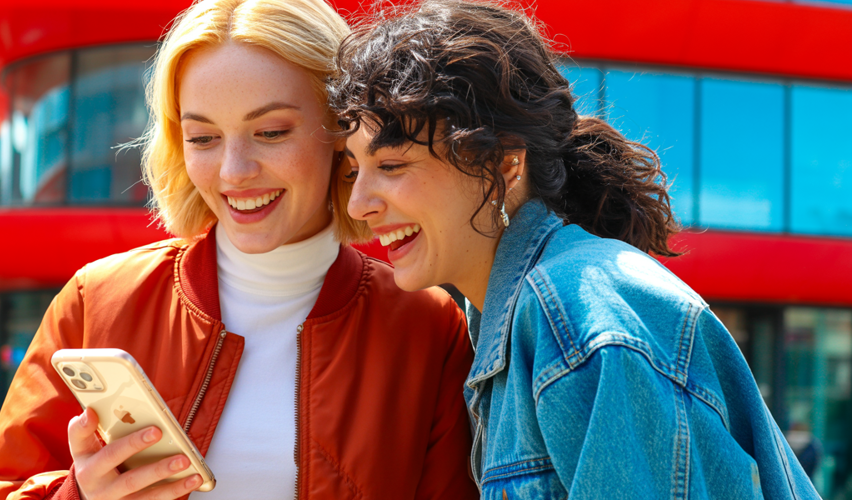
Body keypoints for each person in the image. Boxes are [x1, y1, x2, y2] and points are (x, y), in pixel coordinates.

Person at [0, 0, 479, 498]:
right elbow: (1, 488)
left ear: (342, 132)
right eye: (203, 137)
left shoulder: (428, 327)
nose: (234, 172)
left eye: (271, 132)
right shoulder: (96, 300)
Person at [330, 0, 820, 498]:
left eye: (391, 165)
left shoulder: (574, 317)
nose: (359, 202)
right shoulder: (515, 314)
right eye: (353, 168)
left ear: (503, 165)